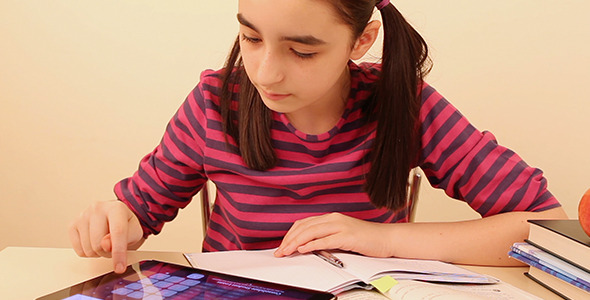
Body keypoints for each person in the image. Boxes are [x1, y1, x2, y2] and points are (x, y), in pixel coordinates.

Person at [69, 0, 567, 274]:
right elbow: (136, 216)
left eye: (302, 52)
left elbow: (547, 229)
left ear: (362, 40)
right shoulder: (215, 103)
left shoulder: (403, 104)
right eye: (251, 37)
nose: (265, 73)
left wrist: (386, 239)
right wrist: (117, 223)